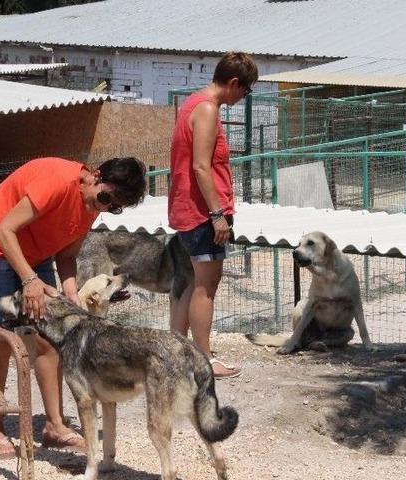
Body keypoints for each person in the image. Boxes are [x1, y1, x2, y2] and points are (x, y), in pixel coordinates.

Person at [0, 156, 146, 458]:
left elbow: (67, 255)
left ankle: (54, 426)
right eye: (104, 198)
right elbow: (4, 231)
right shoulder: (58, 182)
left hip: (34, 255)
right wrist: (30, 280)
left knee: (49, 340)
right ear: (94, 175)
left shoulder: (91, 203)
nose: (103, 208)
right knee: (0, 339)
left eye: (113, 206)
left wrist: (70, 291)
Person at [168, 52, 258, 379]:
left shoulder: (193, 104)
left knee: (192, 283)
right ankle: (203, 361)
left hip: (191, 210)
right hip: (202, 213)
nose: (242, 97)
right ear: (233, 82)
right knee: (207, 286)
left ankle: (176, 355)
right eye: (245, 91)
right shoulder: (206, 110)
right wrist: (217, 214)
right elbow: (201, 167)